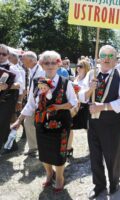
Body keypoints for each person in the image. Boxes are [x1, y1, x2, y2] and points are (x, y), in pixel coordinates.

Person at [12, 50, 78, 192]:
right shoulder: (37, 82)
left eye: (53, 62)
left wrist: (58, 106)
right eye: (46, 62)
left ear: (58, 64)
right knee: (44, 152)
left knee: (59, 152)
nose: (50, 65)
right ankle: (49, 174)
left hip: (61, 124)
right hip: (42, 124)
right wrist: (19, 121)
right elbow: (30, 104)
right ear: (41, 64)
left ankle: (60, 177)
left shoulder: (66, 83)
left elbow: (73, 102)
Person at [78, 45, 120, 199]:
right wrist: (89, 90)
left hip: (112, 123)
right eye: (104, 55)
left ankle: (114, 182)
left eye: (111, 56)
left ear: (115, 59)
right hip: (93, 122)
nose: (107, 59)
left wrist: (103, 106)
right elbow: (81, 96)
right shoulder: (90, 75)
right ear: (99, 58)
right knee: (94, 155)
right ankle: (99, 185)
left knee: (112, 155)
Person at [21, 51, 45, 156]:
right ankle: (33, 147)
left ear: (31, 61)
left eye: (23, 60)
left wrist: (36, 104)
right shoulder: (32, 70)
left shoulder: (41, 72)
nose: (22, 62)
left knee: (37, 125)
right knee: (28, 123)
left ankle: (40, 148)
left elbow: (41, 90)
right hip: (32, 103)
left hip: (39, 103)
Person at [0, 44, 21, 153]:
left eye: (4, 54)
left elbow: (19, 84)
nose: (1, 56)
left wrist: (7, 86)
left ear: (8, 55)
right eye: (0, 53)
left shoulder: (12, 67)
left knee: (2, 122)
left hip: (7, 100)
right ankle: (12, 145)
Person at [67, 59, 90, 159]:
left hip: (84, 106)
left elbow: (88, 94)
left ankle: (92, 146)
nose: (78, 68)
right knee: (70, 126)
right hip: (75, 106)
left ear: (86, 68)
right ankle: (68, 148)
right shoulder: (76, 78)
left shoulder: (88, 79)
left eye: (80, 66)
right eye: (77, 66)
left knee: (88, 128)